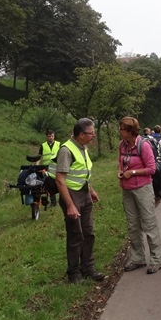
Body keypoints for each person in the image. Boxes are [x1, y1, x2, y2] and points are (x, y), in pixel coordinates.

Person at [50, 118, 105, 283]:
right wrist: (70, 205)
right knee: (76, 235)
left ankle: (88, 268)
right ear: (81, 134)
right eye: (91, 133)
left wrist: (91, 190)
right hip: (72, 195)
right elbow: (60, 180)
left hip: (84, 193)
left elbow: (82, 172)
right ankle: (74, 273)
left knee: (88, 233)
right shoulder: (66, 150)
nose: (93, 135)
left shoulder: (83, 147)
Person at [118, 117, 161, 274]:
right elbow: (121, 161)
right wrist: (120, 171)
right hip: (127, 189)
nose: (119, 131)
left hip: (143, 188)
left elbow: (152, 169)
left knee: (148, 223)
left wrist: (133, 172)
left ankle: (156, 259)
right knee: (133, 224)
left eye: (122, 129)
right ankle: (138, 258)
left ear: (130, 131)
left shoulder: (143, 145)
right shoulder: (122, 145)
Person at [37, 129, 60, 206]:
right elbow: (39, 157)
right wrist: (37, 166)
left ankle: (62, 198)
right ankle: (53, 202)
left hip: (56, 167)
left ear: (54, 136)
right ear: (47, 136)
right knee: (50, 184)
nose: (51, 138)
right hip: (46, 167)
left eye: (52, 136)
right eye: (49, 136)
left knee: (60, 183)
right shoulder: (43, 145)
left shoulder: (58, 144)